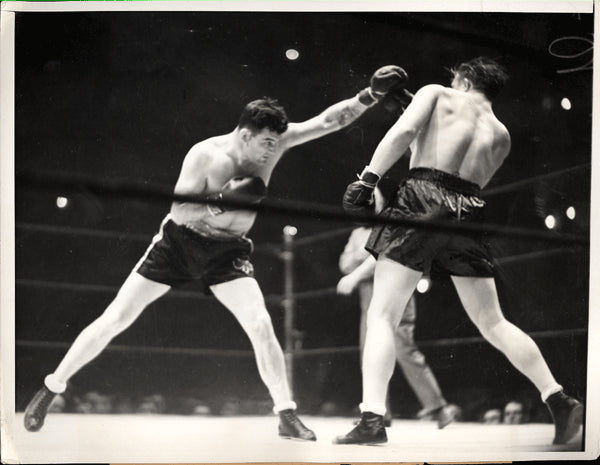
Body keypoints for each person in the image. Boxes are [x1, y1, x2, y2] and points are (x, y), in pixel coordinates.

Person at [23, 65, 410, 440]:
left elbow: (327, 121)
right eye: (265, 143)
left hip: (227, 253)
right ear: (244, 134)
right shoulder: (204, 156)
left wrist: (369, 97)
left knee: (260, 323)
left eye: (276, 142)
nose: (270, 151)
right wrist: (223, 201)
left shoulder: (276, 144)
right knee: (117, 317)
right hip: (179, 242)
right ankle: (51, 388)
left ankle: (286, 414)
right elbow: (179, 209)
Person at [334, 57, 584, 446]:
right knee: (493, 322)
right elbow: (455, 156)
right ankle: (559, 397)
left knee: (383, 314)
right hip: (469, 211)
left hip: (420, 198)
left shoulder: (438, 93)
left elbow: (407, 133)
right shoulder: (502, 133)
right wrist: (406, 100)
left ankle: (371, 418)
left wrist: (368, 179)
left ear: (464, 80)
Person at [336, 189, 458, 428]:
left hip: (395, 292)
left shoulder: (391, 222)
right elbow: (344, 263)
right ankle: (378, 414)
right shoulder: (356, 233)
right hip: (368, 298)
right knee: (369, 353)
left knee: (403, 348)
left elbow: (380, 256)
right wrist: (365, 259)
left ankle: (439, 408)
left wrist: (360, 264)